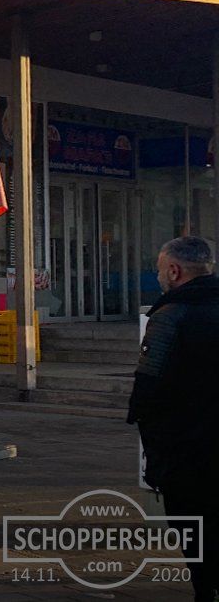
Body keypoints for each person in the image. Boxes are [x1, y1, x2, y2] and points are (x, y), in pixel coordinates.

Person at [129, 236, 219, 602]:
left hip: (186, 451)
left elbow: (148, 388)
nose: (158, 276)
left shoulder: (170, 316)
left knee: (193, 526)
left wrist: (155, 454)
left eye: (159, 269)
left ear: (174, 271)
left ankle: (206, 590)